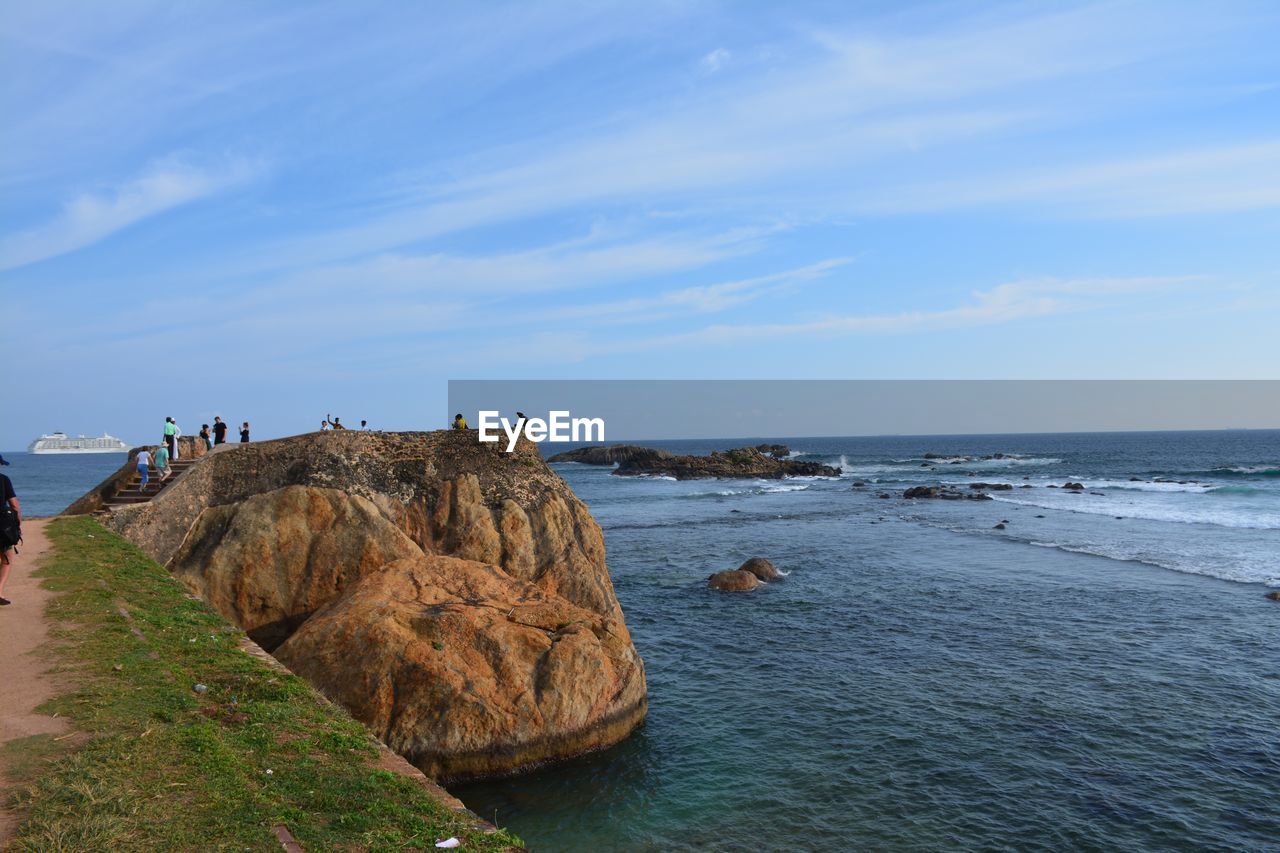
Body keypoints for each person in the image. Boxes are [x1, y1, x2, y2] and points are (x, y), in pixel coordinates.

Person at [0, 472, 20, 605]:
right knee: (7, 557)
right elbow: (14, 504)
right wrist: (17, 524)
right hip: (2, 525)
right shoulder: (3, 479)